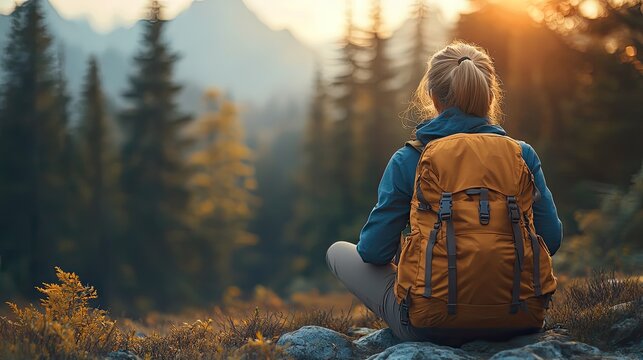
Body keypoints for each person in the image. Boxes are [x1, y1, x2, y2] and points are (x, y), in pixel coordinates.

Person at [326, 41, 563, 345]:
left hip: (431, 326)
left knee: (338, 252)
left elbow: (373, 251)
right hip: (521, 319)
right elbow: (551, 239)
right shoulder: (522, 155)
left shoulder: (409, 159)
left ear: (434, 97)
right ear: (489, 96)